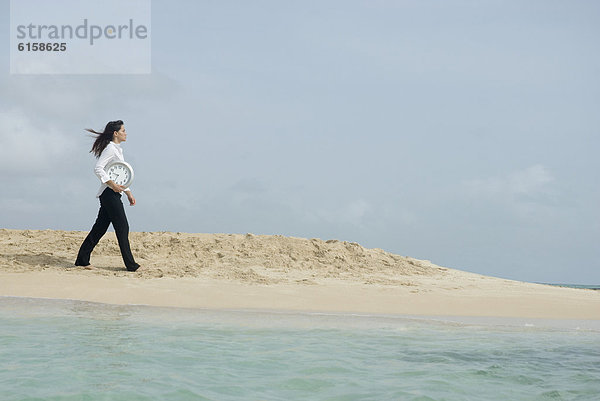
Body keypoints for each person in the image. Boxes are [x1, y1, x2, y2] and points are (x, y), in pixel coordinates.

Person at [74, 120, 141, 272]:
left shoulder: (117, 149)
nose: (126, 133)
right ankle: (131, 265)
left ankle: (82, 260)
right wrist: (112, 185)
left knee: (100, 228)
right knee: (122, 227)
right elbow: (98, 169)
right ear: (115, 133)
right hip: (109, 194)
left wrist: (128, 192)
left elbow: (121, 175)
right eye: (123, 130)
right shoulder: (110, 149)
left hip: (113, 194)